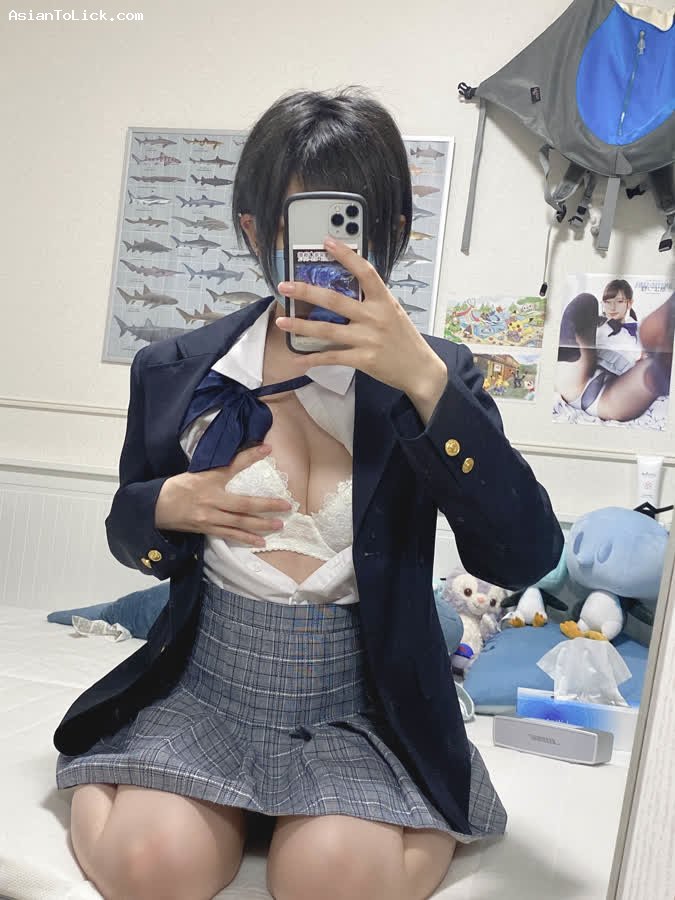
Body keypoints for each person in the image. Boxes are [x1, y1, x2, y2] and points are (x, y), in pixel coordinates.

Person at [53, 88, 564, 900]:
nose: (326, 254)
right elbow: (131, 531)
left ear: (394, 232)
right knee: (154, 870)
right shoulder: (177, 369)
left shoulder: (438, 376)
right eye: (300, 228)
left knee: (331, 881)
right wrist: (161, 507)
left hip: (360, 700)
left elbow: (524, 554)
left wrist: (425, 383)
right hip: (207, 684)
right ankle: (105, 773)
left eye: (349, 227)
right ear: (257, 231)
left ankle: (415, 810)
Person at [556, 279, 675, 422]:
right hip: (578, 377)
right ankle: (566, 342)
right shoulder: (596, 322)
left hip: (612, 395)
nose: (612, 307)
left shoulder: (637, 331)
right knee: (587, 299)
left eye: (619, 302)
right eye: (608, 302)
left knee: (653, 364)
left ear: (629, 304)